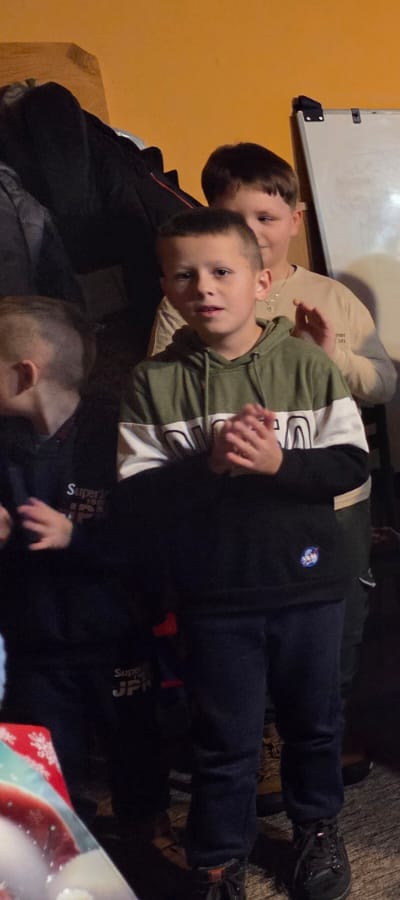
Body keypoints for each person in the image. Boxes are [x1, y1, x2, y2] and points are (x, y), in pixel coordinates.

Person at [119, 208, 369, 900]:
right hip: (214, 597)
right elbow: (136, 498)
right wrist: (211, 465)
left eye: (221, 271)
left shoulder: (307, 364)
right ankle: (218, 857)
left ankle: (317, 826)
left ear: (261, 282)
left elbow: (350, 464)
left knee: (314, 724)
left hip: (308, 587)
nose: (203, 287)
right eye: (184, 275)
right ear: (166, 288)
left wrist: (279, 463)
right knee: (225, 737)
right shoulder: (152, 381)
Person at [147, 140, 396, 805]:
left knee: (338, 613)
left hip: (331, 498)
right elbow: (168, 384)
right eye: (237, 218)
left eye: (266, 217)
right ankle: (260, 737)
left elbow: (382, 383)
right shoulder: (195, 294)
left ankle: (321, 722)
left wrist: (328, 357)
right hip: (233, 508)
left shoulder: (330, 296)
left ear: (295, 219)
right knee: (244, 628)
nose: (254, 232)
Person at [0, 295, 178, 866]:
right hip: (35, 645)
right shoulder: (4, 443)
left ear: (25, 374)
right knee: (44, 763)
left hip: (116, 638)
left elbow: (148, 543)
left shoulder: (115, 437)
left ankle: (148, 836)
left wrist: (76, 538)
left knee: (135, 746)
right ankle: (57, 859)